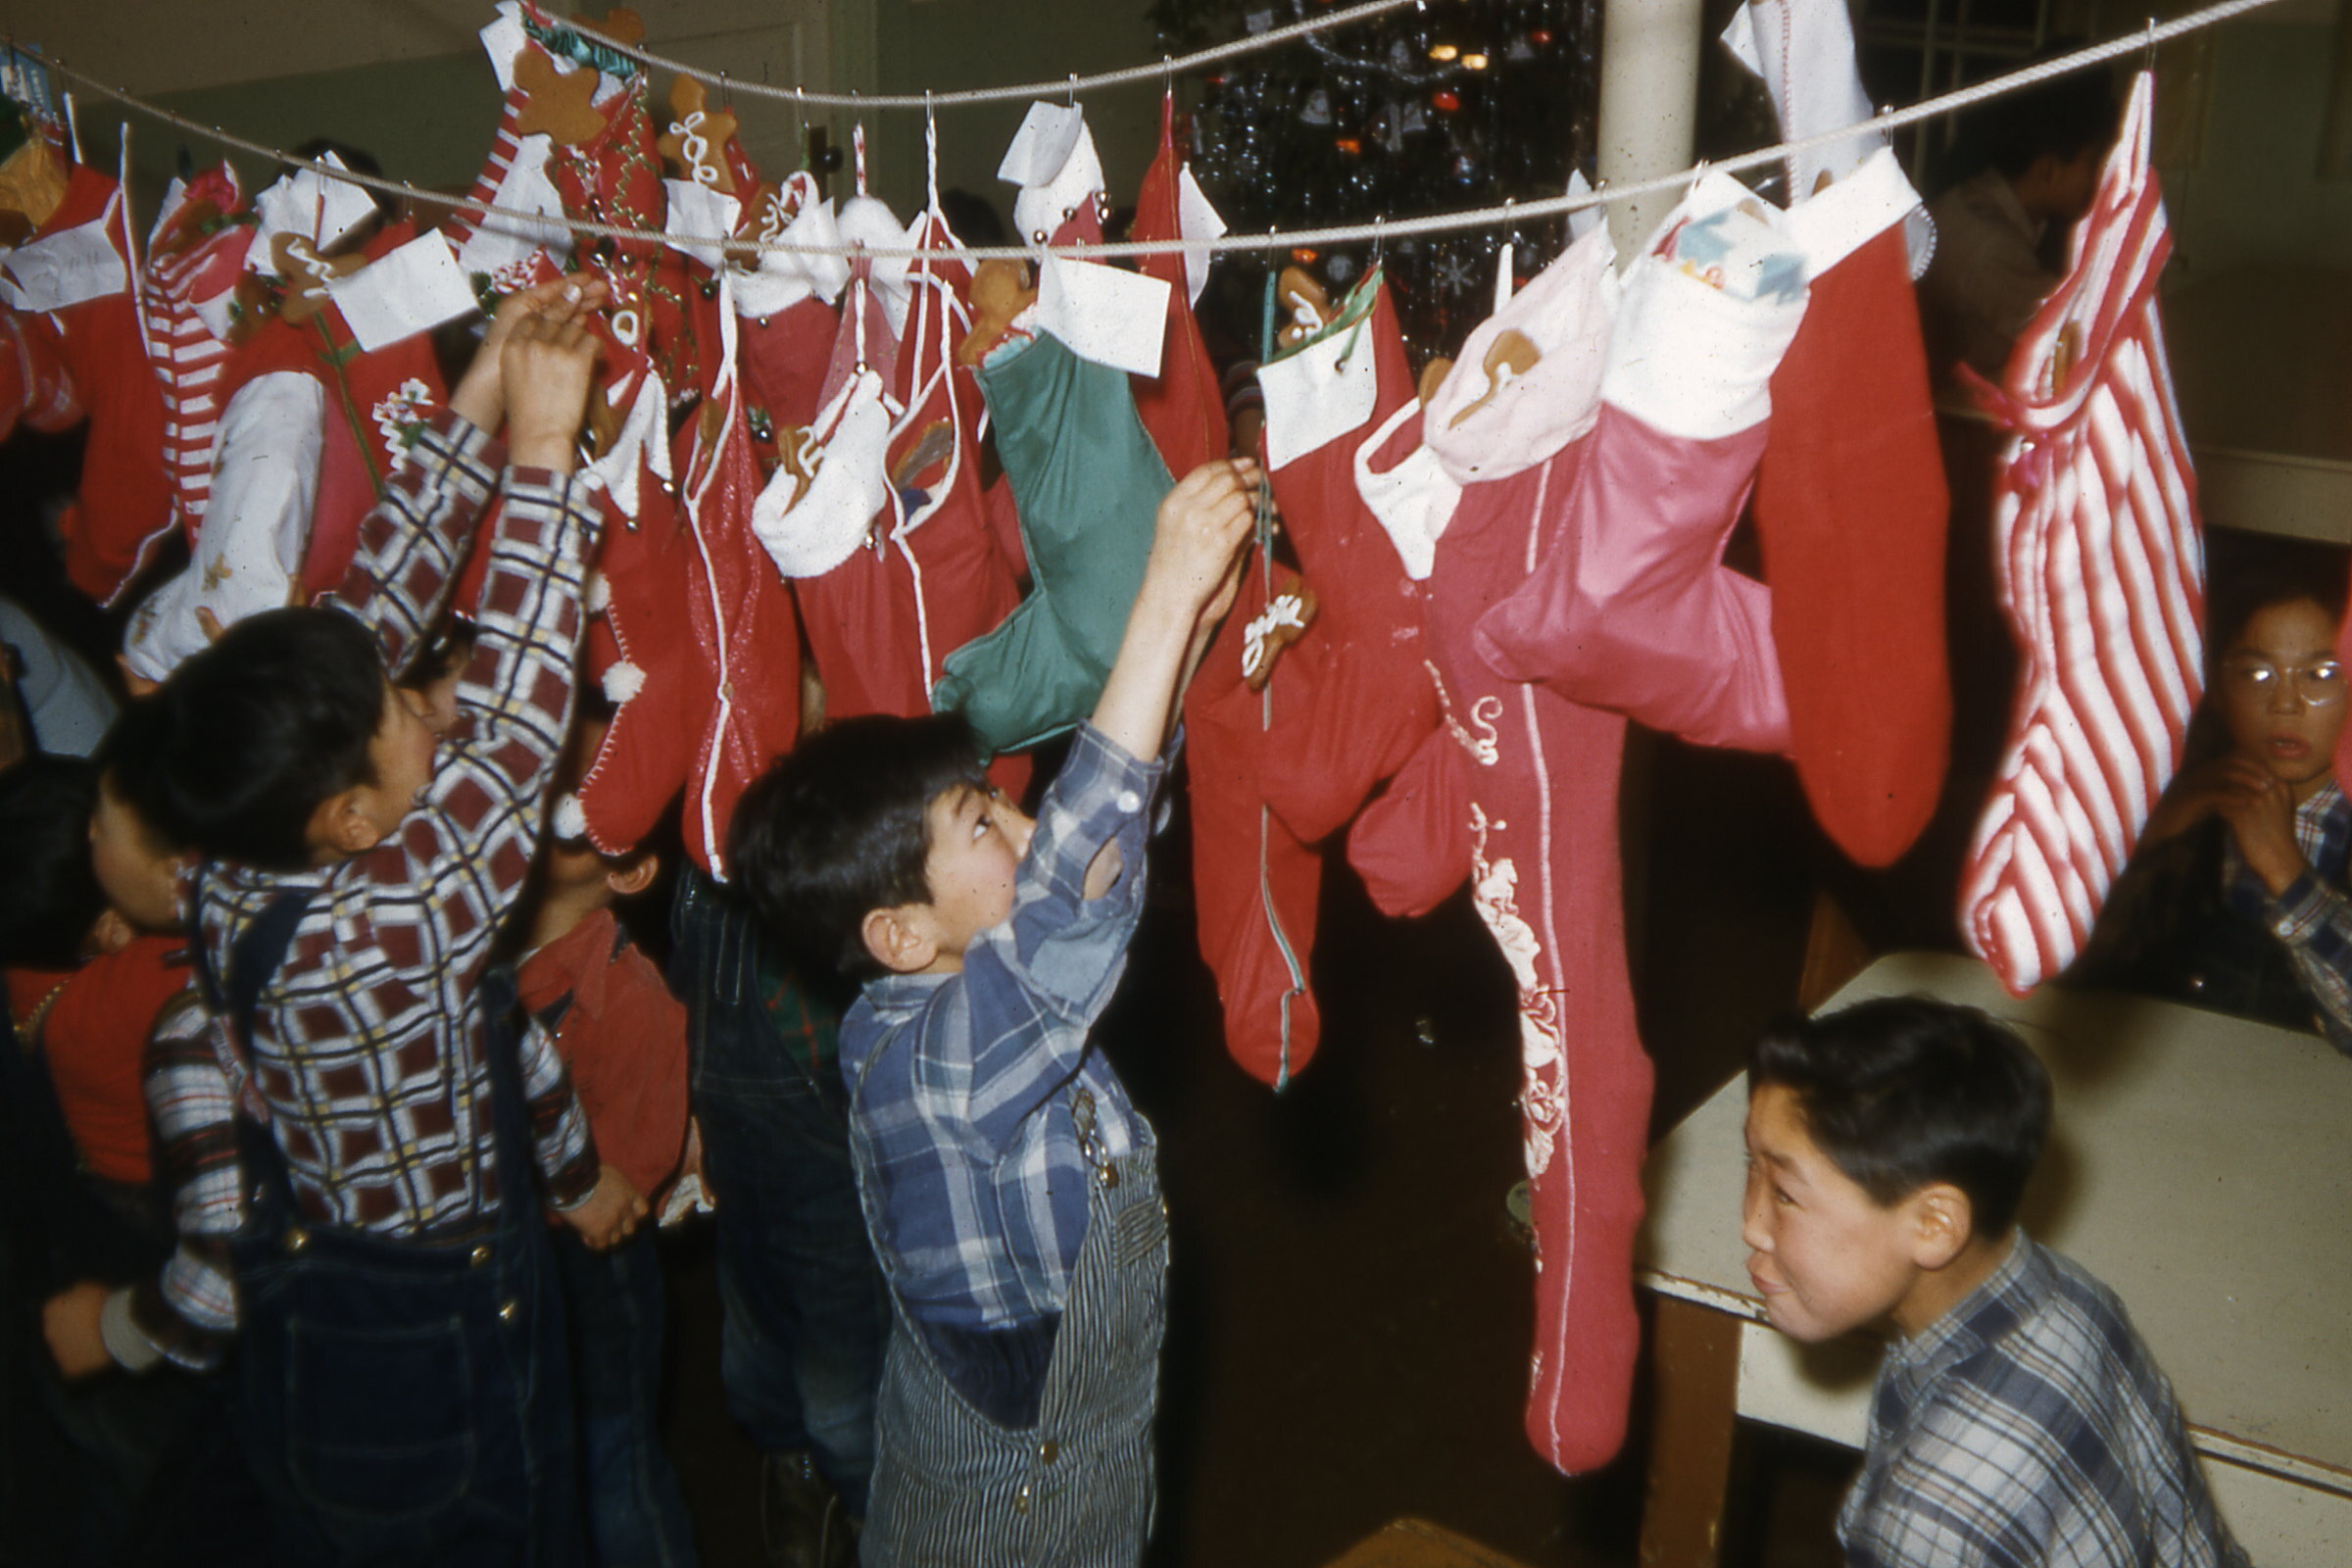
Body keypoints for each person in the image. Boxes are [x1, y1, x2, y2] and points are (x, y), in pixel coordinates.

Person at [44, 275, 641, 1566]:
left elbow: (379, 596)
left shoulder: (236, 835)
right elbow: (530, 713)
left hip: (351, 1310)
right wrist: (544, 453)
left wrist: (482, 391)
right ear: (351, 823)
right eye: (409, 725)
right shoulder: (394, 920)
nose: (429, 706)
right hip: (423, 1359)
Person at [728, 456, 1258, 1564]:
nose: (1024, 827)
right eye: (983, 824)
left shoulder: (961, 984)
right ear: (901, 935)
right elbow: (1071, 902)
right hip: (999, 1530)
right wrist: (1161, 593)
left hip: (1095, 1488)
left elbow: (1090, 857)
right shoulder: (925, 1069)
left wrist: (1190, 635)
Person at [1741, 996, 2248, 1568]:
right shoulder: (2075, 1295)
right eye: (1749, 1169)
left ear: (1935, 1224)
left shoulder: (1930, 1514)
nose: (1752, 1224)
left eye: (1784, 1193)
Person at [515, 714, 701, 1568]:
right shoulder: (473, 949)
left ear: (627, 869)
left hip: (593, 1269)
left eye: (585, 791)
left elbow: (630, 1175)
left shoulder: (627, 999)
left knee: (612, 1462)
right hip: (508, 1267)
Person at [666, 861, 889, 1568]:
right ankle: (791, 1464)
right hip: (732, 1119)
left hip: (821, 1121)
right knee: (754, 1339)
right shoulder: (705, 864)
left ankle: (871, 1512)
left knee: (842, 1375)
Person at [2074, 554, 2352, 1050]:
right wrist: (2152, 836)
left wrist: (2285, 870)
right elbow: (2070, 981)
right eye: (2256, 674)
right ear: (2219, 689)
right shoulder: (2178, 799)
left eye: (2321, 674)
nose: (2285, 704)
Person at [1918, 71, 2117, 383]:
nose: (2099, 177)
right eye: (2091, 163)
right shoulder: (1990, 244)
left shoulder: (1980, 199)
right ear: (2047, 169)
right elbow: (2068, 336)